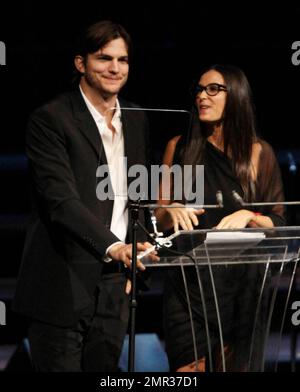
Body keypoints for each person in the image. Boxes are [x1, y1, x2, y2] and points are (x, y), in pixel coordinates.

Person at [13, 20, 158, 372]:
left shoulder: (137, 117)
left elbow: (138, 195)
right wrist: (114, 246)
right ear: (81, 63)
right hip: (61, 283)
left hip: (116, 285)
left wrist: (141, 251)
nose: (114, 68)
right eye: (103, 58)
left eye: (122, 60)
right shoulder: (51, 119)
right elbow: (60, 201)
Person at [155, 64, 285, 372]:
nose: (202, 96)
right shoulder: (180, 148)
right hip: (189, 289)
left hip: (242, 289)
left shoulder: (258, 153)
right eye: (199, 90)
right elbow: (158, 219)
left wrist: (249, 215)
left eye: (213, 89)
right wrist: (169, 211)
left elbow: (278, 224)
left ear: (236, 96)